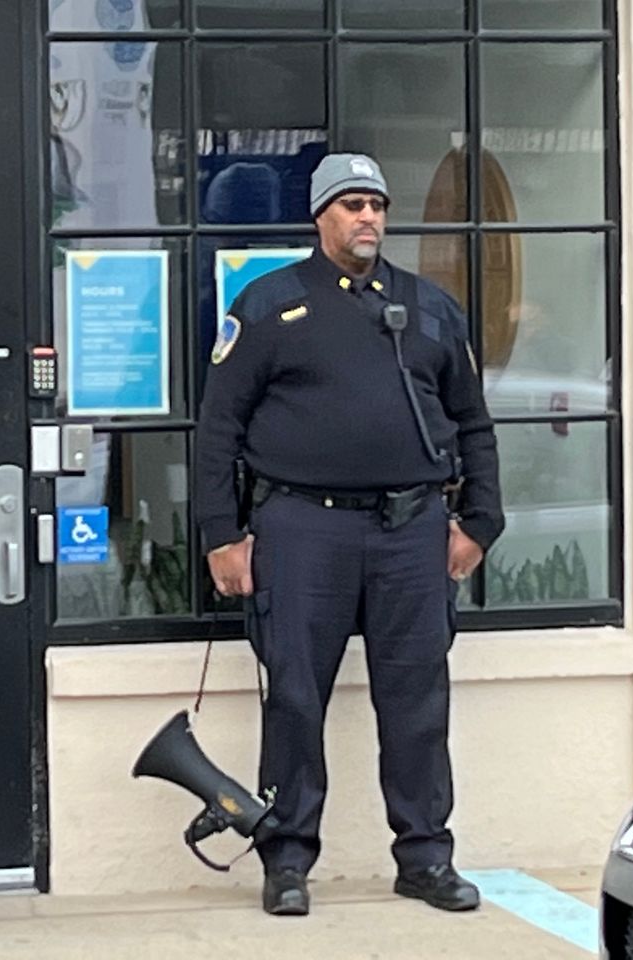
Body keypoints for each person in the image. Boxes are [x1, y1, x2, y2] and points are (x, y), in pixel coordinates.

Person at [195, 154, 504, 918]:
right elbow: (218, 427)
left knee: (417, 702)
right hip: (303, 528)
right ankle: (287, 860)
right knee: (295, 699)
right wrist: (222, 535)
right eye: (351, 204)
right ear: (320, 217)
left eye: (376, 204)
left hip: (411, 530)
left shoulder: (428, 308)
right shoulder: (269, 305)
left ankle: (426, 857)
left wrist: (480, 522)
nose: (367, 217)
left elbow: (472, 421)